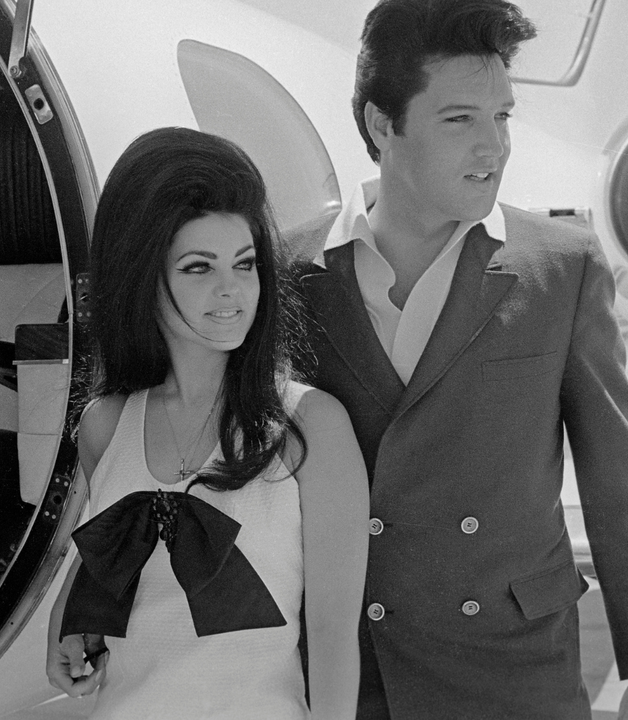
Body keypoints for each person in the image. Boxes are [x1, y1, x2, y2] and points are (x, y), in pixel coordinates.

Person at [284, 1, 628, 718]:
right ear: (383, 125)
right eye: (460, 119)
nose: (494, 147)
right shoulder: (288, 271)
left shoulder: (561, 269)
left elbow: (618, 480)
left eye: (502, 117)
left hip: (514, 673)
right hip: (348, 678)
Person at [45, 127, 369, 720]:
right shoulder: (105, 424)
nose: (232, 290)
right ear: (143, 276)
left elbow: (332, 636)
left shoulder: (309, 426)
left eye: (245, 264)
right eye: (199, 267)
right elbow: (113, 558)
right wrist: (66, 625)